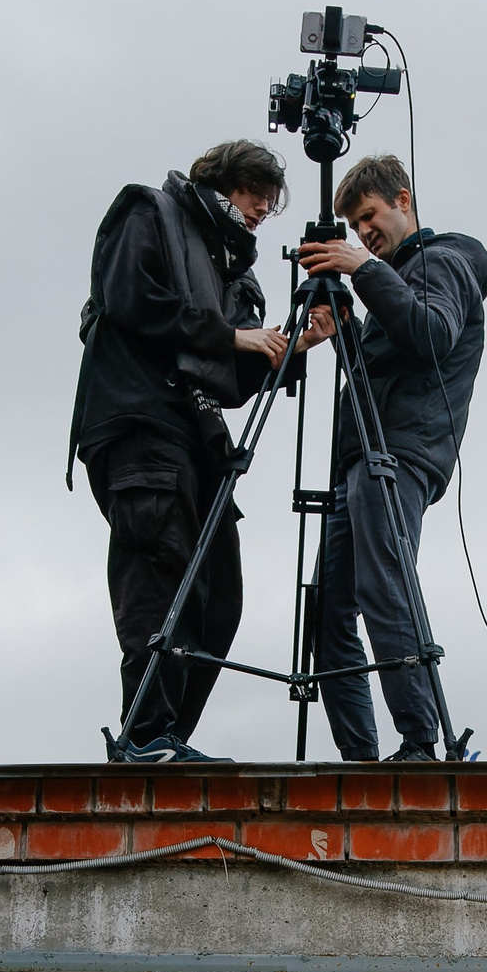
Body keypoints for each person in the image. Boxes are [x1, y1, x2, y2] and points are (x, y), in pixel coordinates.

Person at [70, 141, 293, 763]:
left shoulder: (230, 271)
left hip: (198, 440)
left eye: (268, 204)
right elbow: (129, 298)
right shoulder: (148, 211)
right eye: (256, 197)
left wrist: (290, 347)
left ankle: (165, 740)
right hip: (140, 420)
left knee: (218, 599)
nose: (261, 211)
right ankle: (146, 736)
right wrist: (230, 334)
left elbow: (228, 380)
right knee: (159, 573)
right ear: (225, 183)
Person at [296, 153, 487, 763]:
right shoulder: (394, 275)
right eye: (356, 226)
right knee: (327, 612)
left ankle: (419, 742)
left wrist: (364, 270)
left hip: (400, 455)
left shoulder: (445, 262)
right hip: (363, 455)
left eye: (369, 216)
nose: (364, 233)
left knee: (383, 585)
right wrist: (344, 334)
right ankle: (360, 759)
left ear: (403, 199)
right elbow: (383, 372)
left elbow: (431, 335)